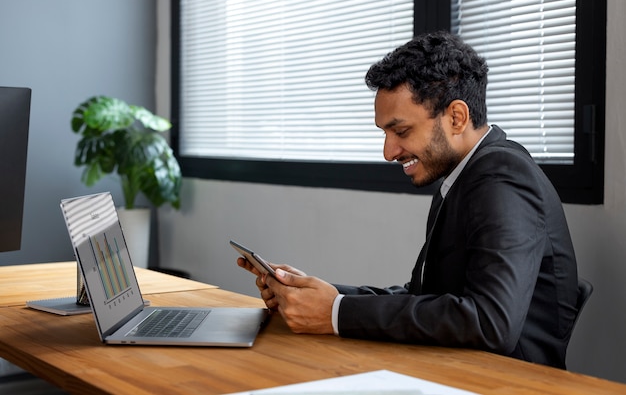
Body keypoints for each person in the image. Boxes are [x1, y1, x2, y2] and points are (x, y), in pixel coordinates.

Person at [237, 30, 579, 369]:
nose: (388, 152)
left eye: (401, 132)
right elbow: (425, 298)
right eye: (384, 133)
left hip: (507, 383)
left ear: (456, 117)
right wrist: (321, 296)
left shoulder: (504, 178)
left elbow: (491, 323)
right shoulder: (462, 176)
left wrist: (336, 313)